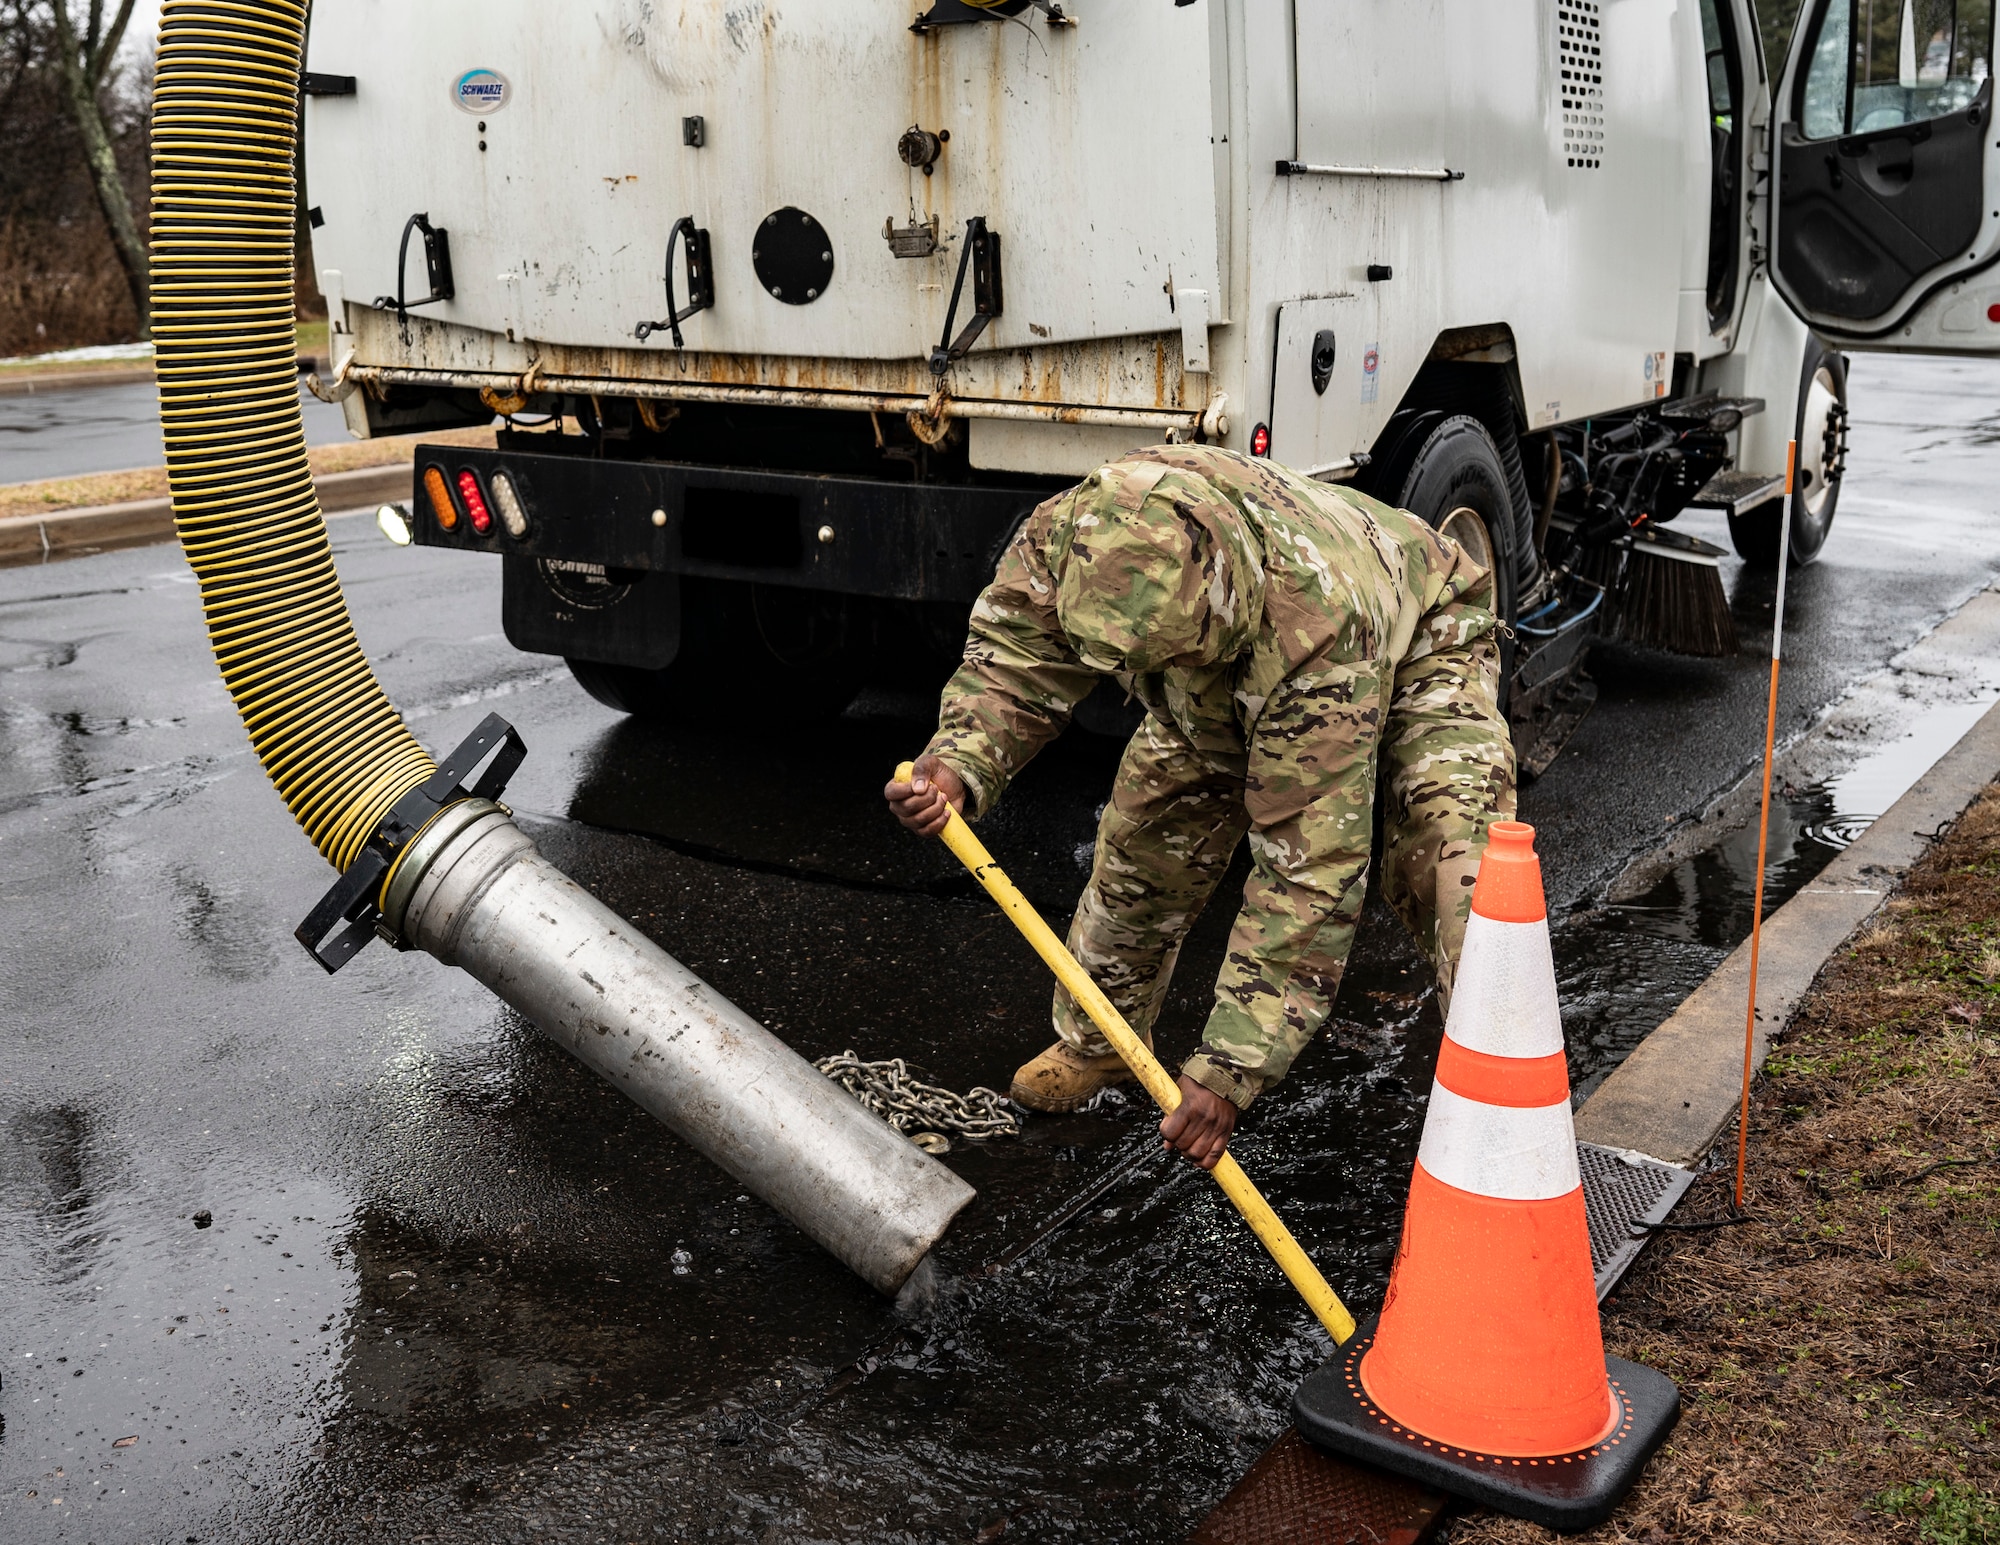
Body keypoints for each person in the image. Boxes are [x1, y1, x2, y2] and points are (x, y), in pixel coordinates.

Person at [885, 445, 1515, 1170]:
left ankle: (1503, 1091)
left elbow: (1309, 871)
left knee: (1453, 856)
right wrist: (961, 759)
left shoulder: (1316, 630)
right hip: (1233, 673)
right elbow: (1016, 650)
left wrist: (1229, 1069)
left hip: (1420, 635)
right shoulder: (1078, 533)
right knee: (1143, 840)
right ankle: (1105, 1042)